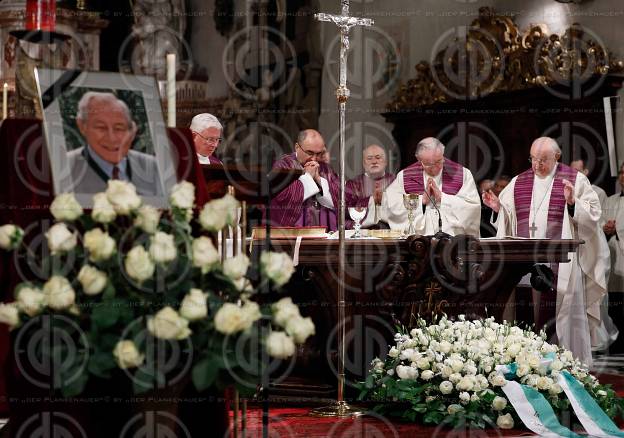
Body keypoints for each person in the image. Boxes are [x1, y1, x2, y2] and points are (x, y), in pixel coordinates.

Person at [482, 137, 609, 364]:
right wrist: (498, 208)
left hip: (562, 266)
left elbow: (593, 217)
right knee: (525, 313)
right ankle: (525, 366)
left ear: (557, 157)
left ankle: (566, 365)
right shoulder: (519, 181)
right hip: (524, 266)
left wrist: (572, 203)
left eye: (543, 160)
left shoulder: (575, 180)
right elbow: (509, 219)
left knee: (560, 313)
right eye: (533, 159)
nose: (537, 165)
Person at [68, 91, 162, 196]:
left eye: (119, 128)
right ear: (82, 126)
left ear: (132, 131)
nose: (111, 138)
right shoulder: (64, 168)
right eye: (101, 127)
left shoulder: (155, 168)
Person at [382, 137, 480, 236]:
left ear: (443, 154)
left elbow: (472, 207)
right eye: (428, 164)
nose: (435, 167)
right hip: (418, 240)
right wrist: (421, 201)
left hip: (453, 240)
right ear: (419, 159)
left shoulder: (463, 174)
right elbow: (391, 206)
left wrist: (442, 198)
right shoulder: (405, 176)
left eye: (438, 161)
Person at [269, 129, 341, 231]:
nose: (314, 159)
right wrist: (307, 177)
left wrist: (319, 180)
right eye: (310, 153)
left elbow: (339, 201)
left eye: (319, 154)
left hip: (322, 233)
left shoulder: (325, 168)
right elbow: (281, 199)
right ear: (297, 147)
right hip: (293, 234)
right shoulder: (283, 166)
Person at [346, 144, 395, 229]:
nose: (374, 161)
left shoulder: (395, 181)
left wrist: (384, 199)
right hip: (363, 231)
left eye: (378, 157)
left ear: (385, 162)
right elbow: (345, 212)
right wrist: (371, 200)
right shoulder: (352, 184)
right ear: (364, 163)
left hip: (391, 230)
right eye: (369, 158)